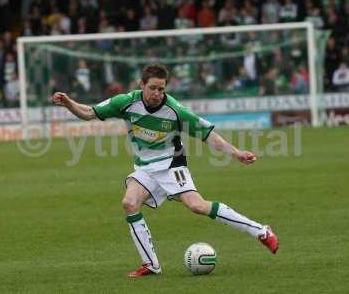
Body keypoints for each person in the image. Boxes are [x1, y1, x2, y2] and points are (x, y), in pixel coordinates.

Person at [52, 64, 279, 278]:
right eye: (153, 88)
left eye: (161, 89)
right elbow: (91, 112)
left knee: (197, 206)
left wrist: (235, 152)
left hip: (172, 164)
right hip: (144, 168)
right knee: (129, 203)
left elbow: (207, 134)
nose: (157, 93)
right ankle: (151, 265)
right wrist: (70, 103)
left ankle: (260, 231)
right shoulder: (126, 102)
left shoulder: (175, 110)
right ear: (141, 85)